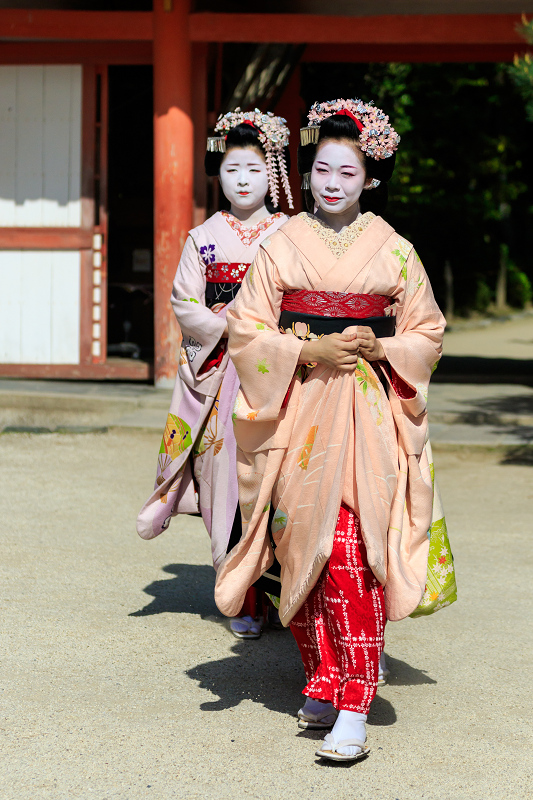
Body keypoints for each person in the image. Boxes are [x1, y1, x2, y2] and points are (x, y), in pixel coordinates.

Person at [215, 98, 449, 761]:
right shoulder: (279, 244)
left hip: (369, 410)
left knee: (351, 550)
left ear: (368, 178)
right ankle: (321, 674)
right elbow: (245, 328)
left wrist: (385, 350)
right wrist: (303, 352)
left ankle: (355, 698)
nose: (333, 183)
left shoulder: (395, 250)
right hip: (298, 407)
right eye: (322, 169)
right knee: (300, 549)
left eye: (348, 172)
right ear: (307, 172)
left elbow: (425, 331)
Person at [136, 108, 293, 639]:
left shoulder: (291, 233)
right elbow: (185, 302)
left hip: (275, 368)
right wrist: (230, 329)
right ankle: (242, 598)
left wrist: (267, 337)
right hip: (222, 367)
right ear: (218, 176)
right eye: (231, 170)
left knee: (279, 479)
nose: (242, 180)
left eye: (252, 168)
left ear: (272, 171)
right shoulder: (201, 237)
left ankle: (285, 593)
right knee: (224, 479)